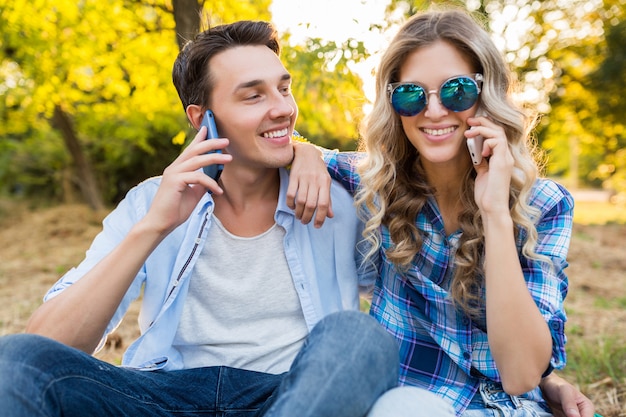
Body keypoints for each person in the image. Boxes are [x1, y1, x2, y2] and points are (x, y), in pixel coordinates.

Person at [0, 20, 454, 417]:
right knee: (17, 360)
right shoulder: (150, 204)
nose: (282, 108)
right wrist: (155, 226)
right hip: (166, 396)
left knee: (358, 336)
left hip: (296, 395)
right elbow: (49, 344)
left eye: (283, 87)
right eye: (253, 95)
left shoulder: (338, 195)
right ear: (203, 119)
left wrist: (311, 152)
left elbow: (418, 195)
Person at [289, 7, 596, 417]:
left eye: (456, 91)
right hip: (406, 403)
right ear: (392, 102)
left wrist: (495, 213)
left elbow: (522, 376)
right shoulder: (376, 186)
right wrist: (303, 151)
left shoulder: (543, 204)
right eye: (412, 95)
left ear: (486, 92)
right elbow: (270, 144)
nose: (433, 112)